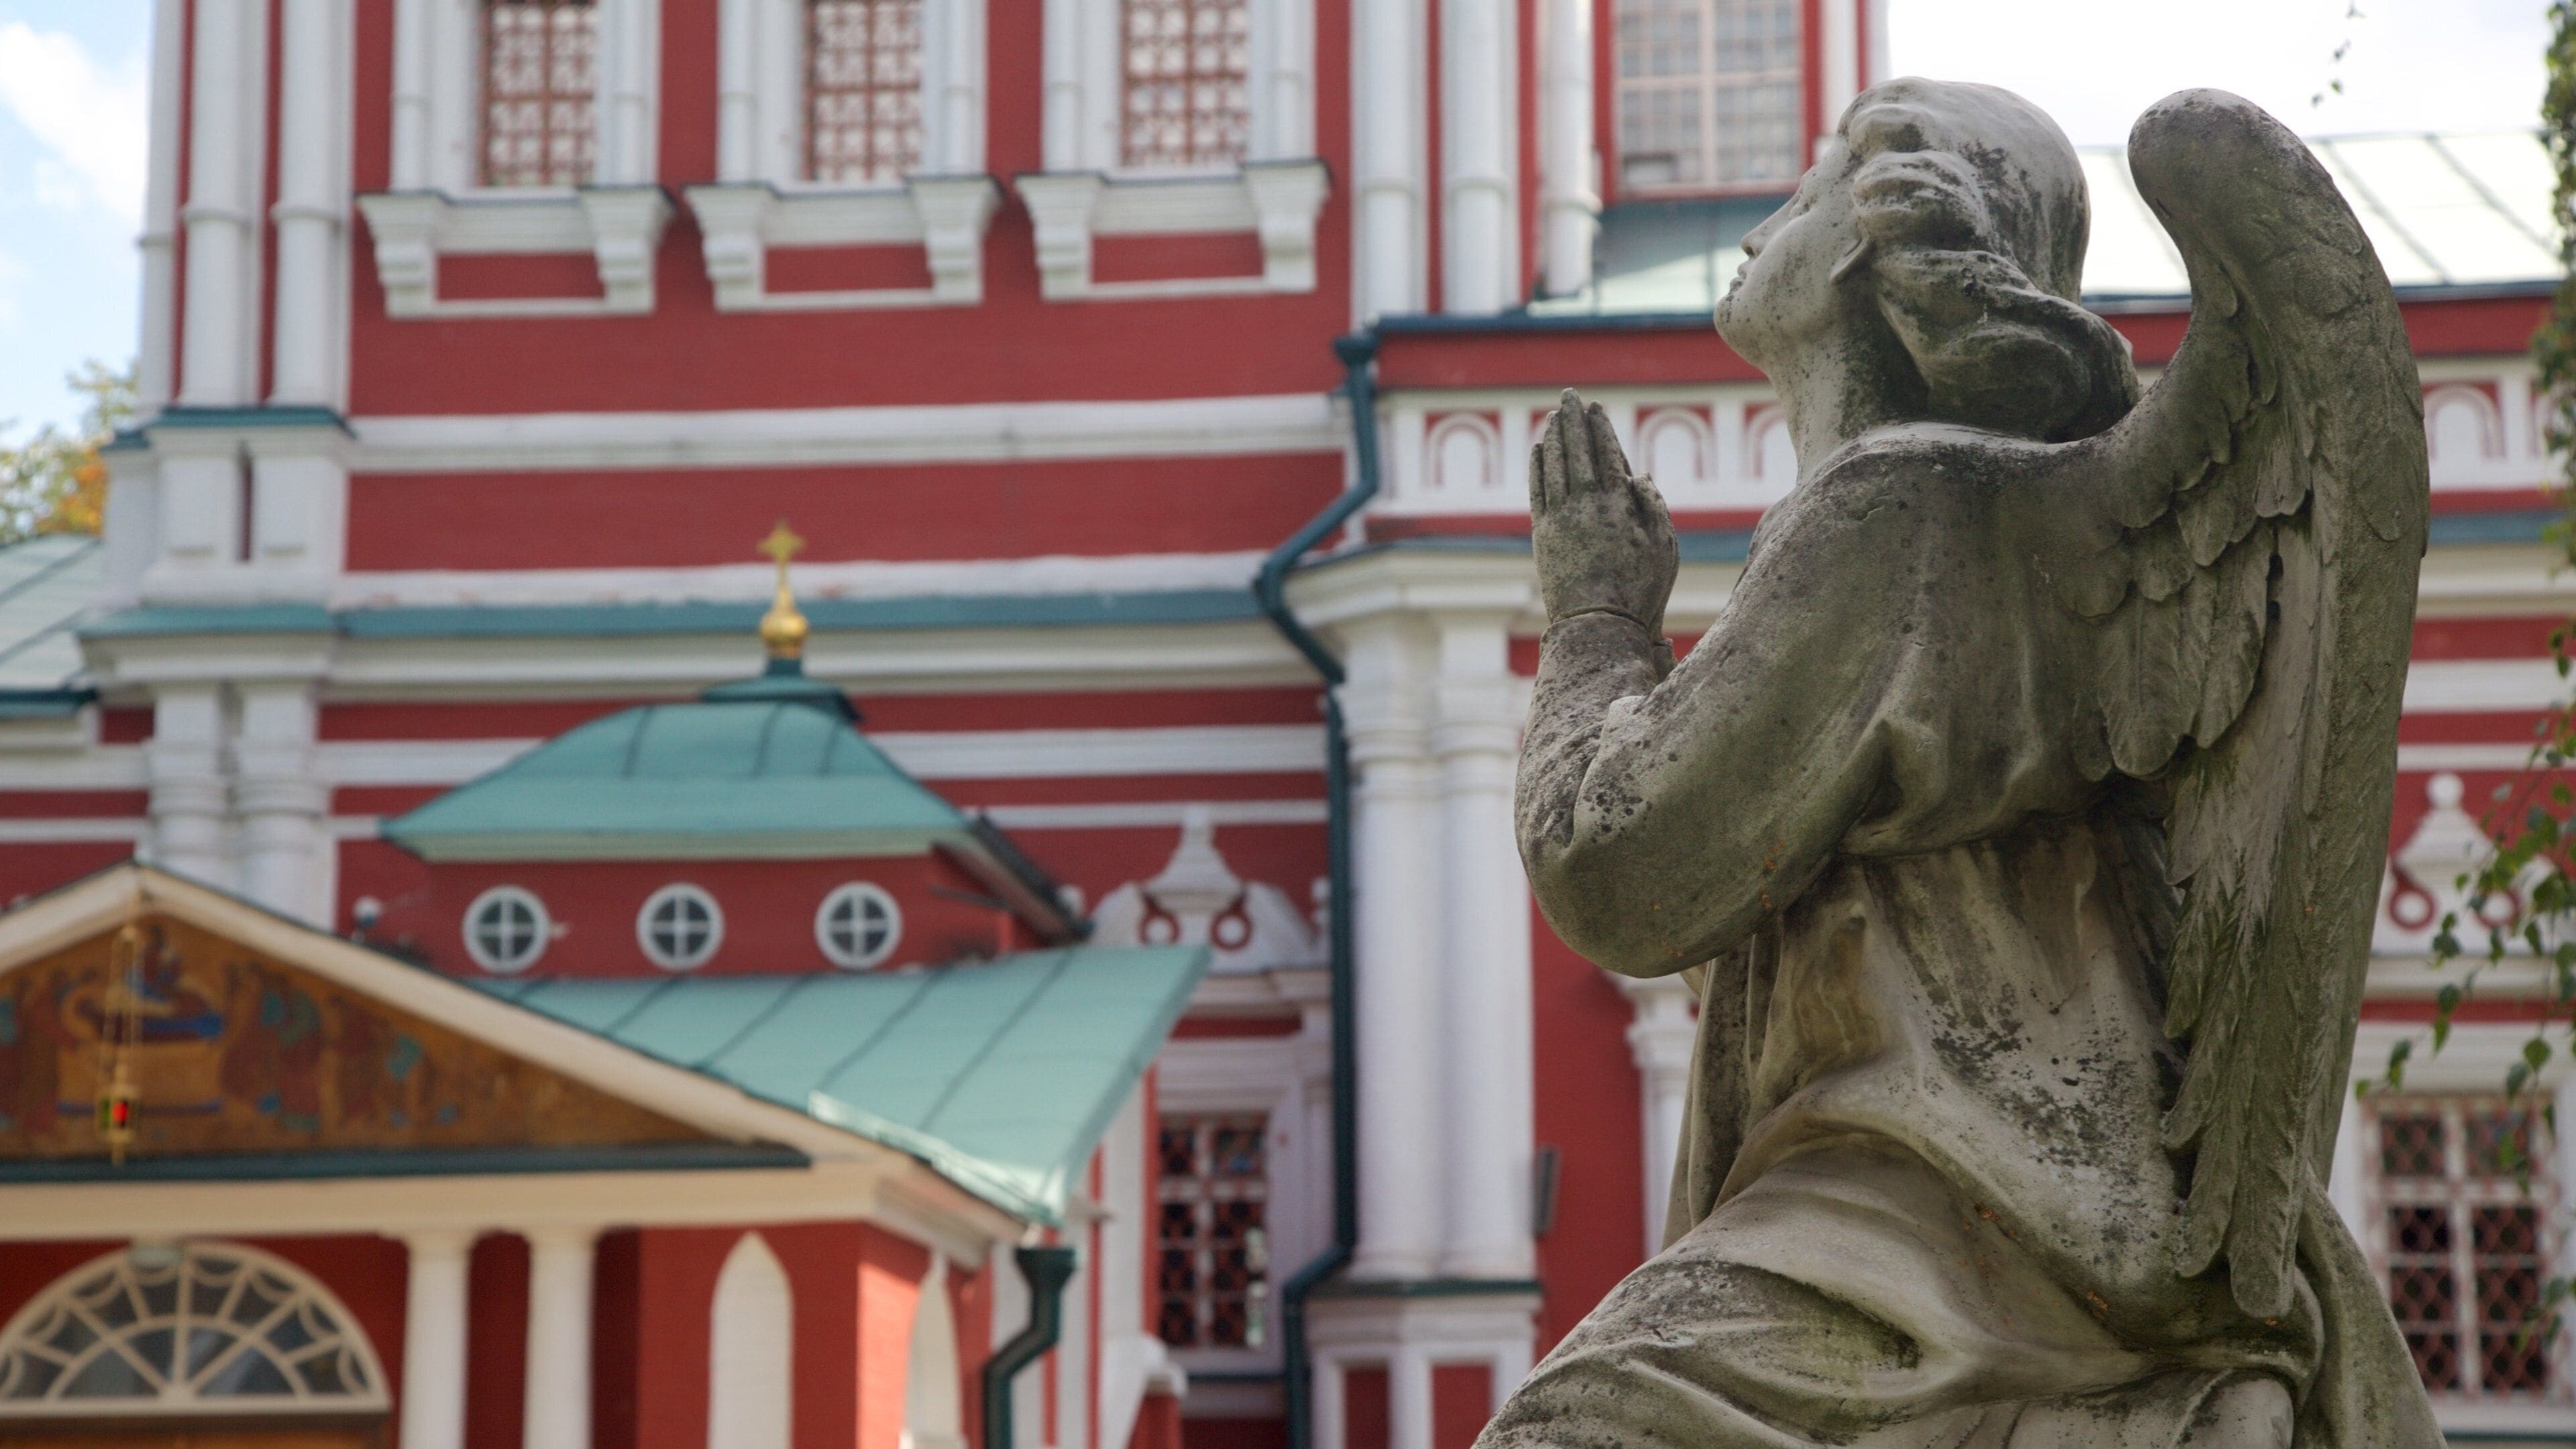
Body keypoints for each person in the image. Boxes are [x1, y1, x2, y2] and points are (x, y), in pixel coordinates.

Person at [1487, 79, 2438, 1449]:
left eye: (1815, 181)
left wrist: (1594, 618)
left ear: (1877, 235)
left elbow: (1620, 871)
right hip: (1987, 1201)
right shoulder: (1966, 514)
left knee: (1576, 1430)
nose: (1764, 226)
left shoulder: (1892, 516)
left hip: (1950, 1212)